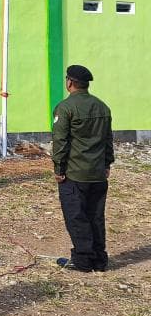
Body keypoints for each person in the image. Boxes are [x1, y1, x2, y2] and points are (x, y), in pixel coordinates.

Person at [52, 64, 113, 273]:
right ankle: (99, 259)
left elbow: (60, 141)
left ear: (69, 82)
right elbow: (108, 139)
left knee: (76, 216)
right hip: (97, 173)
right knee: (96, 216)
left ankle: (83, 260)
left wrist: (59, 169)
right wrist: (107, 164)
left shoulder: (66, 108)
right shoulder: (102, 107)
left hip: (75, 173)